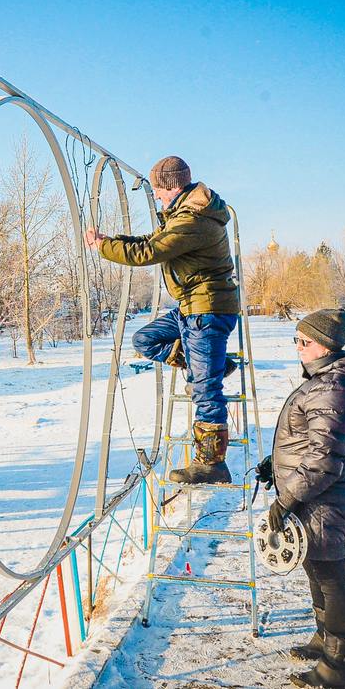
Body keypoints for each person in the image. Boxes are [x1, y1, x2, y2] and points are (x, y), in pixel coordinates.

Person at [84, 155, 240, 484]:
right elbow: (149, 242)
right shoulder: (184, 213)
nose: (155, 196)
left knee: (206, 391)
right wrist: (108, 241)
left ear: (172, 187)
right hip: (191, 306)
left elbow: (147, 253)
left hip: (206, 309)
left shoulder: (193, 219)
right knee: (145, 340)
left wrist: (102, 248)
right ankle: (211, 364)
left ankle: (212, 462)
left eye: (157, 190)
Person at [264, 309, 345, 688]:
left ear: (326, 345)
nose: (298, 348)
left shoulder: (333, 387)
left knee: (332, 579)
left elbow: (325, 459)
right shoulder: (326, 382)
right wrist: (275, 463)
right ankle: (324, 638)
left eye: (305, 341)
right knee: (316, 571)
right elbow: (310, 442)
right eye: (296, 340)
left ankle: (337, 668)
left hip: (323, 502)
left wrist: (287, 500)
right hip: (313, 499)